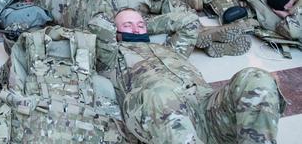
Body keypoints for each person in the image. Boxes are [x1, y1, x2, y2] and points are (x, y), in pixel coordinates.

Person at [96, 8, 284, 144]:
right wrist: (120, 32)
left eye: (140, 25)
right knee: (160, 94)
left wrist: (145, 25)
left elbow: (188, 21)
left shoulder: (170, 49)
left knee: (255, 77)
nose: (137, 30)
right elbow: (98, 22)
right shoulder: (112, 56)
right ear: (115, 31)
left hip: (206, 108)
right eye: (128, 26)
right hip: (163, 116)